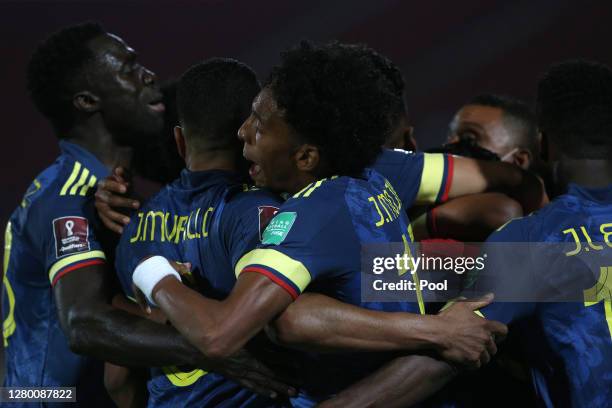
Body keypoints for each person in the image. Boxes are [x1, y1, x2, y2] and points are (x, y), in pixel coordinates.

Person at [124, 42, 546, 405]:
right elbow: (508, 190)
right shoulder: (377, 172)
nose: (243, 132)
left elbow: (221, 335)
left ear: (306, 157)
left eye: (259, 124)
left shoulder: (302, 219)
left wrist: (153, 270)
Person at [1, 23, 281, 407]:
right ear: (86, 102)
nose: (147, 75)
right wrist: (213, 348)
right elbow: (84, 324)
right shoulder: (68, 197)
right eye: (128, 68)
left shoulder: (117, 196)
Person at [320, 59, 612, 408]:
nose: (455, 148)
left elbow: (448, 347)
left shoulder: (531, 240)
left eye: (472, 140)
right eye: (452, 136)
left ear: (538, 148)